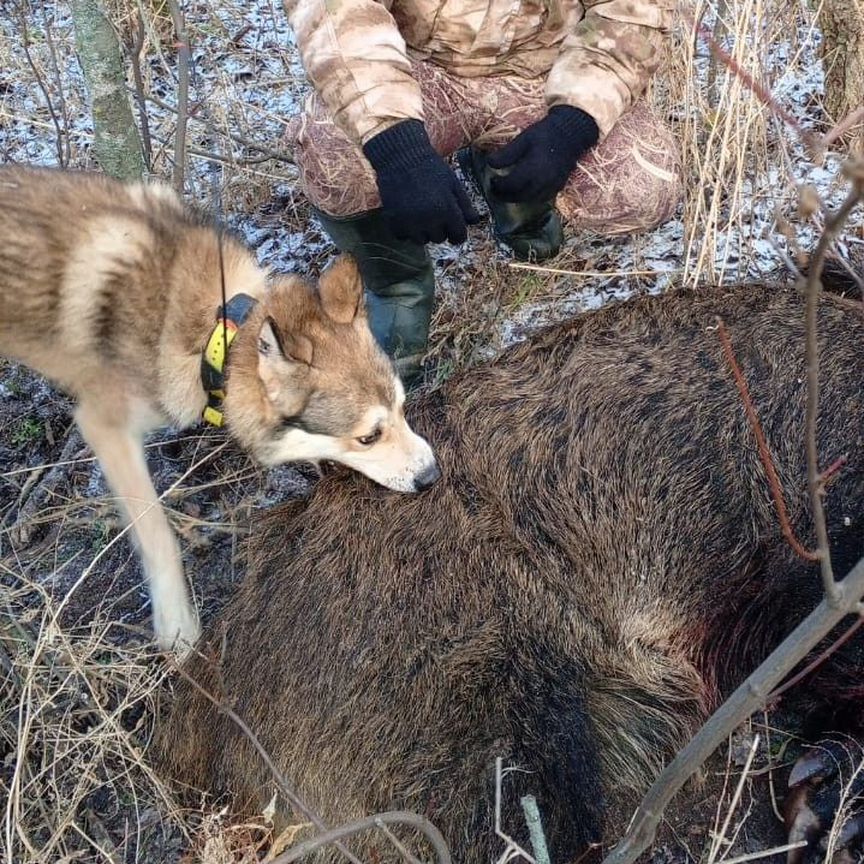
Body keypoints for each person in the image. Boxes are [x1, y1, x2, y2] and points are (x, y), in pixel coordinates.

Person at [283, 0, 682, 386]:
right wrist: (397, 149)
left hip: (546, 70)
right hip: (416, 65)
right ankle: (396, 284)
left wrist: (572, 124)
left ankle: (514, 195)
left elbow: (636, 9)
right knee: (332, 157)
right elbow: (335, 11)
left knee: (642, 187)